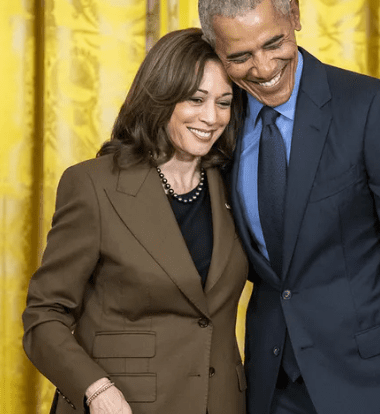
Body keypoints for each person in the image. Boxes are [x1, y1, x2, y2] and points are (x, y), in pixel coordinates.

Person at [197, 0, 380, 413]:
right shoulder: (220, 124)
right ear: (216, 52)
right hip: (273, 388)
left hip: (378, 384)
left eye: (274, 43)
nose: (263, 69)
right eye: (240, 56)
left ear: (295, 15)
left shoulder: (372, 107)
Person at [22, 28, 249, 414]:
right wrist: (94, 390)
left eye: (224, 102)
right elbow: (45, 316)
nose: (211, 118)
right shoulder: (93, 185)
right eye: (196, 99)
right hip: (121, 405)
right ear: (161, 97)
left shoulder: (237, 184)